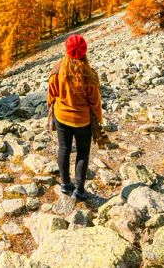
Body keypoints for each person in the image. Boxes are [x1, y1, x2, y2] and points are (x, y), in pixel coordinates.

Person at [47, 34, 102, 201]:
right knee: (83, 153)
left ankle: (65, 184)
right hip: (82, 121)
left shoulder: (57, 70)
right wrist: (99, 119)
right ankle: (79, 190)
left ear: (67, 50)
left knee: (64, 149)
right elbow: (95, 103)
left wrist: (53, 110)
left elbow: (51, 95)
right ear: (85, 51)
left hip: (61, 116)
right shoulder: (89, 75)